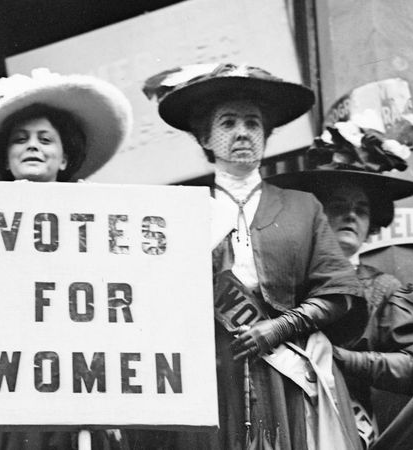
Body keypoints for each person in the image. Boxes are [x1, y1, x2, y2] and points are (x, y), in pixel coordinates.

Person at [139, 63, 367, 449]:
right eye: (228, 123)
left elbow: (339, 293)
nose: (242, 132)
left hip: (287, 372)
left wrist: (280, 327)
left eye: (253, 123)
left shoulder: (302, 207)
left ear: (266, 135)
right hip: (208, 375)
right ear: (206, 139)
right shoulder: (179, 211)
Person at [0, 68, 132, 449]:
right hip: (4, 371)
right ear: (6, 157)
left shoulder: (96, 214)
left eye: (45, 139)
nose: (33, 146)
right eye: (21, 139)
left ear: (64, 158)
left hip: (74, 371)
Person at [266, 121, 413, 447]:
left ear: (371, 225)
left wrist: (341, 359)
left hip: (345, 425)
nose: (351, 215)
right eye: (339, 206)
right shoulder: (282, 277)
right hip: (279, 417)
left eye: (361, 210)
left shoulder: (384, 290)